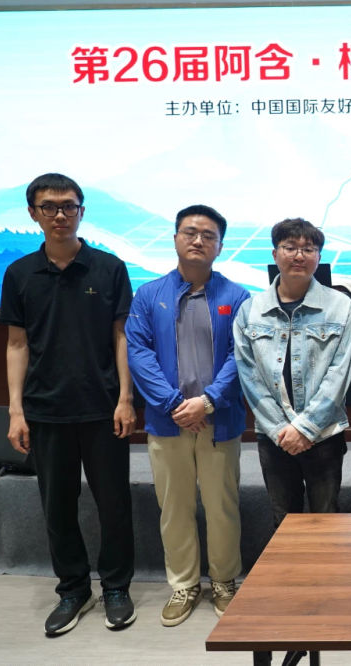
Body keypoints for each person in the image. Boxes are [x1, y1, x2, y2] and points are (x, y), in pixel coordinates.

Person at [0, 173, 137, 635]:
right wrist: (16, 411)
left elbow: (122, 337)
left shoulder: (109, 268)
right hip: (45, 410)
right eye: (49, 206)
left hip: (103, 408)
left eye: (68, 206)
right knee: (57, 508)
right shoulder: (19, 273)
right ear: (33, 213)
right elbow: (16, 344)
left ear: (82, 211)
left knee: (114, 504)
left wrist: (125, 397)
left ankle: (116, 586)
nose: (60, 214)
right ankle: (73, 590)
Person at [125, 205, 250, 626]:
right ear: (176, 237)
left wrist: (208, 401)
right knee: (174, 507)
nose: (198, 240)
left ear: (220, 245)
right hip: (168, 422)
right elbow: (139, 353)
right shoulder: (149, 295)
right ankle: (184, 584)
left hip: (219, 421)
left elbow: (240, 357)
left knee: (222, 506)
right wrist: (175, 405)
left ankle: (224, 581)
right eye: (190, 232)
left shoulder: (237, 297)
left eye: (208, 235)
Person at [234, 218, 351, 526]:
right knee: (284, 520)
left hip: (324, 435)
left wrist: (305, 428)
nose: (299, 255)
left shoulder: (340, 306)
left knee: (326, 520)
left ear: (319, 256)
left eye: (308, 249)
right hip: (274, 436)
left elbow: (339, 374)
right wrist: (281, 430)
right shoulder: (250, 310)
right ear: (275, 254)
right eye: (290, 247)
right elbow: (249, 377)